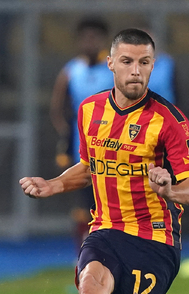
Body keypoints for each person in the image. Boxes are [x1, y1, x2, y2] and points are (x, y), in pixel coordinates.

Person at [20, 29, 189, 294]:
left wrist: (170, 190)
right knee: (92, 273)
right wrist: (53, 184)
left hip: (155, 239)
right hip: (106, 226)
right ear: (111, 64)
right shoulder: (88, 110)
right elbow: (89, 166)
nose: (135, 71)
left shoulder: (169, 121)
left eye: (144, 63)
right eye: (127, 62)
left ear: (152, 66)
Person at [50, 18, 115, 248]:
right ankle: (85, 252)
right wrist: (66, 136)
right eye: (86, 37)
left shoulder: (114, 68)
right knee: (84, 202)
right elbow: (57, 107)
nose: (90, 42)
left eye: (94, 37)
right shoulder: (71, 71)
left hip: (114, 147)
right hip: (83, 148)